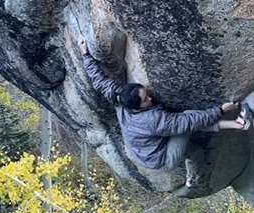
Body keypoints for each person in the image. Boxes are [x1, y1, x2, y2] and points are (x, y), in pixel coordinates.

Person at [78, 37, 253, 187]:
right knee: (189, 117)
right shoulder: (152, 119)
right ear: (136, 107)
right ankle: (238, 123)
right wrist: (220, 110)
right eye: (145, 99)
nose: (150, 99)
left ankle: (193, 178)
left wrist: (85, 54)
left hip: (145, 151)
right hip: (161, 158)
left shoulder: (119, 99)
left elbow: (99, 80)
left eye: (146, 93)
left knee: (195, 152)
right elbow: (187, 122)